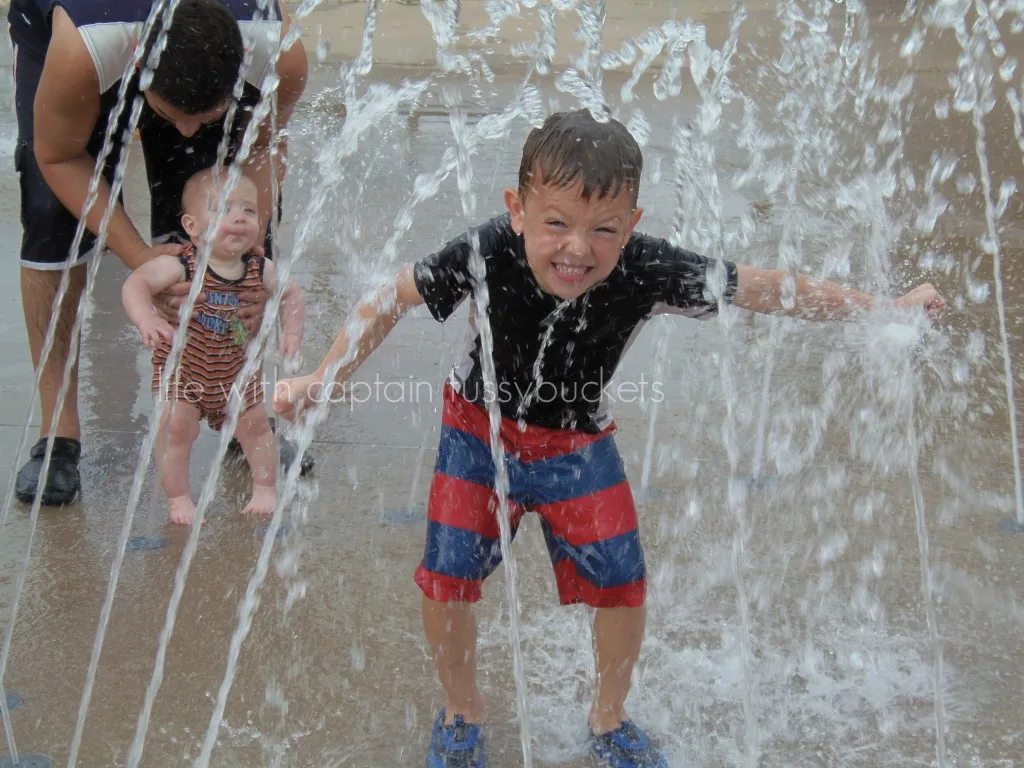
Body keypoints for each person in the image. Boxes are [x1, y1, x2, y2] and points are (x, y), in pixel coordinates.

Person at [272, 110, 946, 768]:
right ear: (518, 209)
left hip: (576, 447)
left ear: (632, 225)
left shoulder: (645, 267)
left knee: (623, 580)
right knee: (446, 577)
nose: (578, 249)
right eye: (557, 223)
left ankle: (609, 716)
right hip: (479, 435)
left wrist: (885, 310)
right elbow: (387, 299)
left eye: (603, 229)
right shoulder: (486, 251)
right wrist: (319, 381)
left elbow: (765, 289)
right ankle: (462, 710)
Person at [9, 0, 312, 507]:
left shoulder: (276, 51)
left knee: (221, 214)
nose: (188, 129)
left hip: (197, 52)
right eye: (173, 116)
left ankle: (243, 411)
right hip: (81, 32)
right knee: (51, 217)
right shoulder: (85, 49)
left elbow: (264, 146)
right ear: (136, 64)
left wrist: (245, 250)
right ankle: (58, 433)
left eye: (205, 117)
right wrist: (141, 259)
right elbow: (58, 155)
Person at [122, 166, 303, 524]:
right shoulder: (181, 268)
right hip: (184, 371)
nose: (238, 218)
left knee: (255, 429)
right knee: (177, 430)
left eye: (248, 211)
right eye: (224, 210)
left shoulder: (258, 266)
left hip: (236, 373)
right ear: (192, 226)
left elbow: (291, 293)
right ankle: (178, 500)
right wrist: (147, 319)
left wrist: (292, 332)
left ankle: (265, 490)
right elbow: (136, 284)